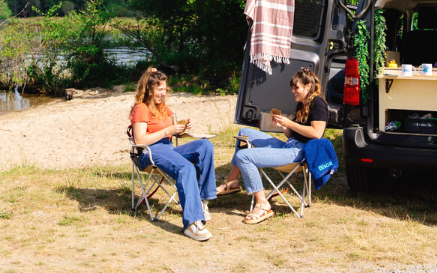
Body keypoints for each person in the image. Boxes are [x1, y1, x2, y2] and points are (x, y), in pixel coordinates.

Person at [216, 67, 328, 224]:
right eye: (292, 87)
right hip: (289, 145)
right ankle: (232, 181)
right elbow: (292, 134)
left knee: (244, 156)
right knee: (244, 132)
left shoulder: (318, 103)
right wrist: (284, 126)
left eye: (296, 87)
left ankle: (263, 204)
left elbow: (317, 133)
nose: (292, 91)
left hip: (299, 152)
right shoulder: (302, 104)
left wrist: (290, 123)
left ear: (308, 87)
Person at [129, 66, 217, 241]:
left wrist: (181, 129)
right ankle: (192, 224)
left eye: (164, 89)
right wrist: (167, 130)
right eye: (159, 89)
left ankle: (201, 201)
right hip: (150, 152)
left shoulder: (162, 108)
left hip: (167, 148)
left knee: (205, 146)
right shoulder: (141, 108)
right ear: (149, 89)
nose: (163, 93)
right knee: (185, 168)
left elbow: (171, 131)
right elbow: (139, 140)